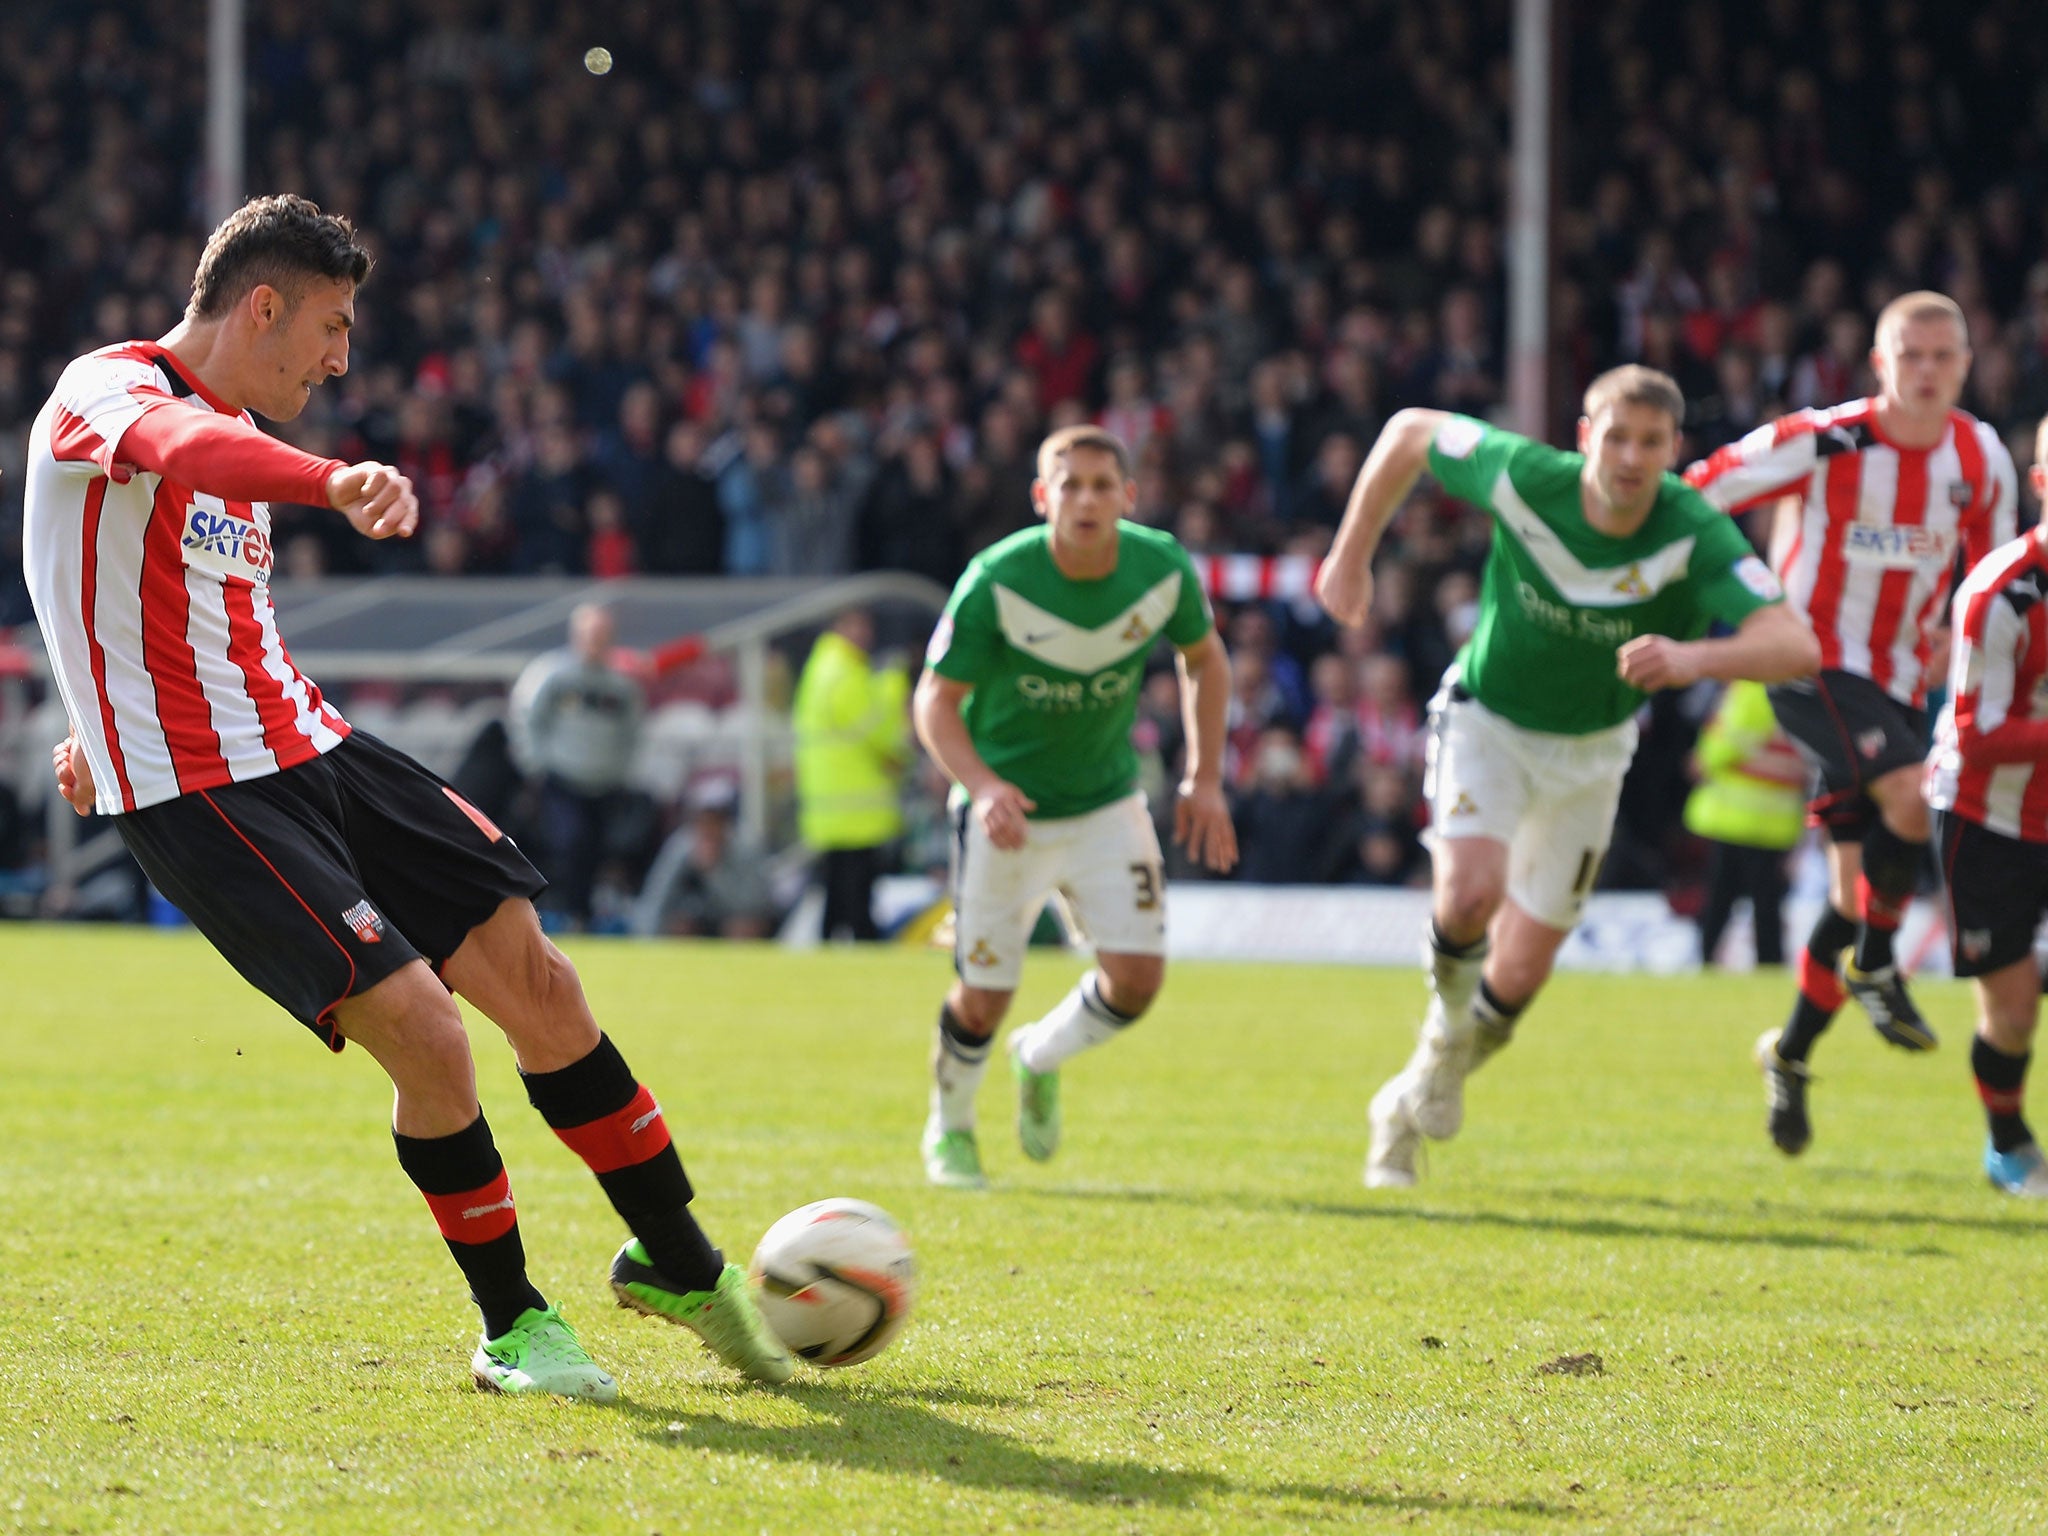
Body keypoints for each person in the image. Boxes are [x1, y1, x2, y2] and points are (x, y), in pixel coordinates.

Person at [23, 195, 790, 1399]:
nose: (340, 358)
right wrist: (326, 484)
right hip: (201, 792)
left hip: (318, 748)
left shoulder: (233, 428)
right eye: (328, 326)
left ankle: (681, 1264)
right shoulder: (109, 389)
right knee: (431, 1038)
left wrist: (88, 709)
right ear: (260, 306)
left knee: (541, 984)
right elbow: (172, 450)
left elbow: (153, 601)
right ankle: (514, 1327)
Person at [1315, 366, 1821, 1189]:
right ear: (1586, 435)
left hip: (1592, 755)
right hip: (1488, 722)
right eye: (1615, 436)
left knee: (1516, 981)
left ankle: (1404, 1101)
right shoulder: (1525, 476)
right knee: (1468, 896)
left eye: (1650, 442)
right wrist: (1351, 553)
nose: (1630, 456)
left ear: (1672, 450)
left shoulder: (1691, 530)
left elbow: (1793, 642)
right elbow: (1409, 427)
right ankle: (1443, 1044)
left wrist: (1695, 656)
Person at [1686, 291, 2017, 1150]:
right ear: (1878, 362)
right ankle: (1878, 964)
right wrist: (1722, 595)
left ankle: (1790, 1054)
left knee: (1849, 894)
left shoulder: (1980, 456)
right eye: (1909, 354)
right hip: (1808, 659)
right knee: (1913, 798)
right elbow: (1702, 492)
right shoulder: (1824, 438)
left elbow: (1998, 576)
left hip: (1903, 679)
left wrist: (1962, 638)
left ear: (1967, 364)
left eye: (1943, 355)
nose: (1926, 371)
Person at [912, 423, 1238, 1189]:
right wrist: (984, 785)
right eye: (1070, 484)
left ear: (1128, 497)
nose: (1086, 499)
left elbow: (1205, 659)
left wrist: (1207, 775)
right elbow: (935, 700)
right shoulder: (996, 578)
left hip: (1105, 805)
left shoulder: (1161, 568)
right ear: (1041, 497)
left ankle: (1041, 1054)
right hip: (1007, 813)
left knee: (1139, 980)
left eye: (1102, 485)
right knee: (984, 997)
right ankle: (951, 1127)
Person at [1920, 416, 2048, 1196]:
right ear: (2041, 484)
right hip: (1987, 818)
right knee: (2012, 1007)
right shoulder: (2001, 592)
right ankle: (2008, 1142)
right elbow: (1978, 735)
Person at [509, 601, 650, 930]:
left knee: (597, 851)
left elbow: (633, 732)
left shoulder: (621, 686)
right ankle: (567, 914)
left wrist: (622, 770)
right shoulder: (553, 675)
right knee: (570, 844)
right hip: (562, 780)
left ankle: (583, 916)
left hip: (606, 783)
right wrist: (535, 764)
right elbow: (527, 717)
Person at [792, 608, 911, 941]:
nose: (864, 635)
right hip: (855, 807)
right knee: (856, 897)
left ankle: (829, 947)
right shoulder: (844, 672)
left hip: (834, 806)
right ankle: (856, 944)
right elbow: (877, 730)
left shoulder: (822, 668)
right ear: (839, 628)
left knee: (836, 893)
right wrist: (891, 685)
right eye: (857, 626)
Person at [1683, 680, 1807, 968]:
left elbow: (1733, 737)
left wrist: (1704, 760)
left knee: (1720, 897)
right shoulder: (1801, 691)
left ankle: (1707, 959)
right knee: (1768, 903)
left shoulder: (1752, 689)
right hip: (1779, 818)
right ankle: (1769, 964)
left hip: (1735, 815)